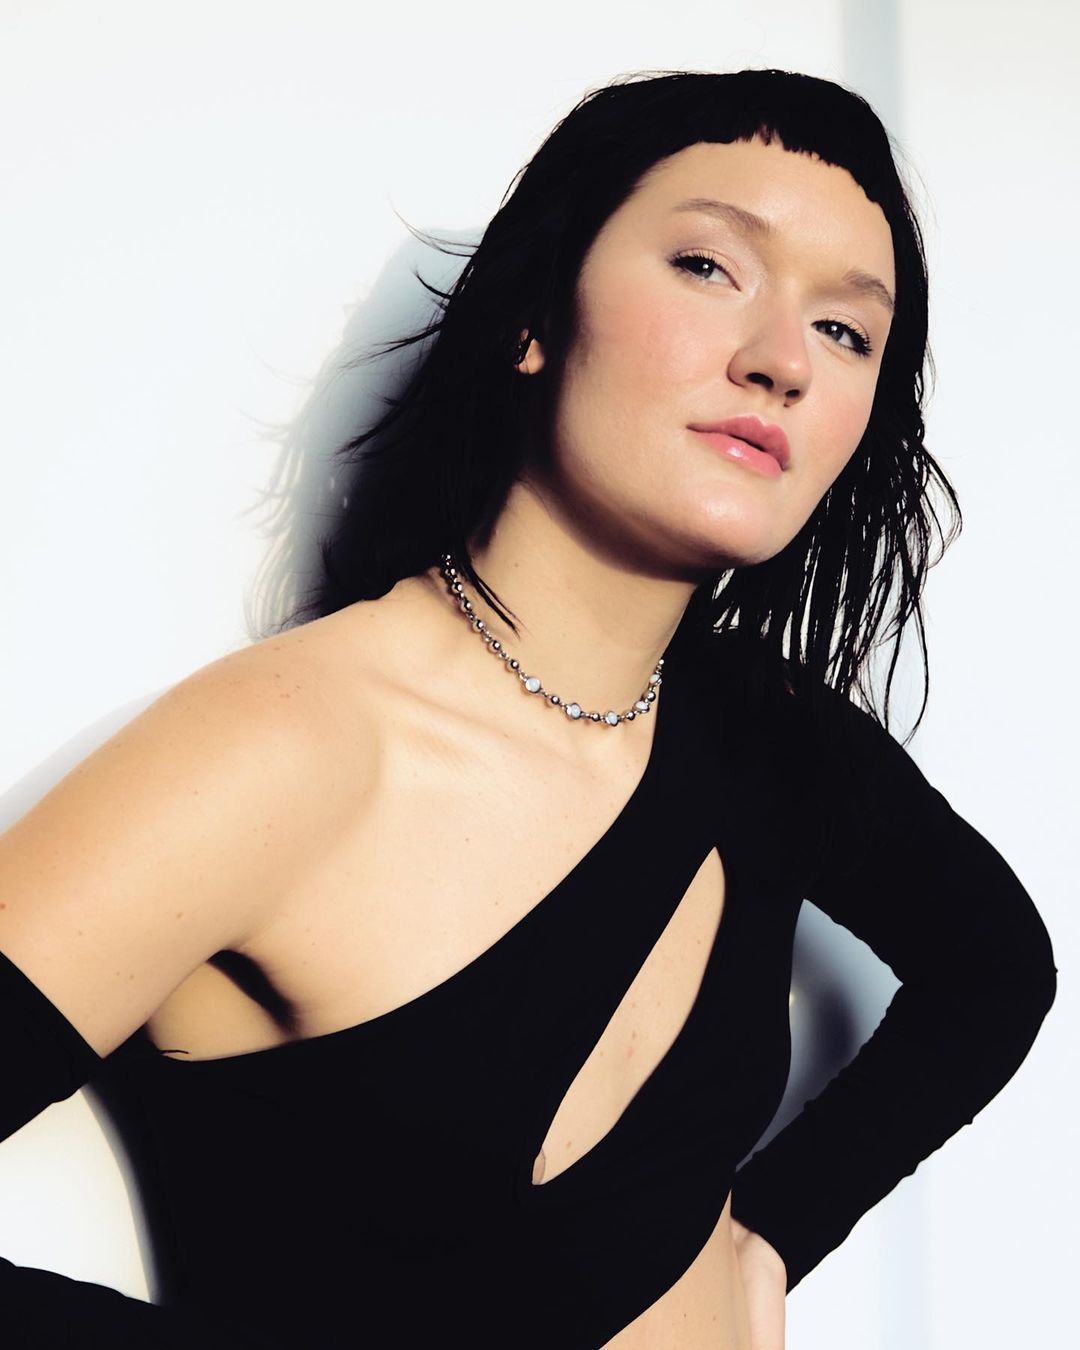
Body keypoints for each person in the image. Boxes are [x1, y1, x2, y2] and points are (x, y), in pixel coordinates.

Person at [0, 68, 1058, 1350]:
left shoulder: (769, 739)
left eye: (845, 331)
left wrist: (778, 1231)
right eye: (709, 266)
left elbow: (997, 973)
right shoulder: (285, 752)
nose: (783, 360)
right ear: (534, 316)